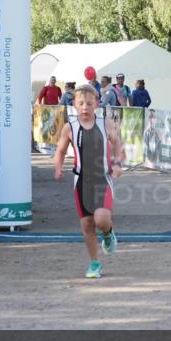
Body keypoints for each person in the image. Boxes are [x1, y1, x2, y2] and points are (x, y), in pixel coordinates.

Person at [53, 84, 123, 279]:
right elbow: (59, 151)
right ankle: (94, 263)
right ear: (74, 104)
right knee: (87, 224)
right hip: (81, 182)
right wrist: (58, 168)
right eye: (81, 103)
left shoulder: (105, 123)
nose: (85, 107)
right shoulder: (70, 127)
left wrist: (117, 163)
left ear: (97, 105)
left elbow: (117, 143)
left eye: (89, 103)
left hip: (102, 179)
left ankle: (108, 233)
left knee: (100, 219)